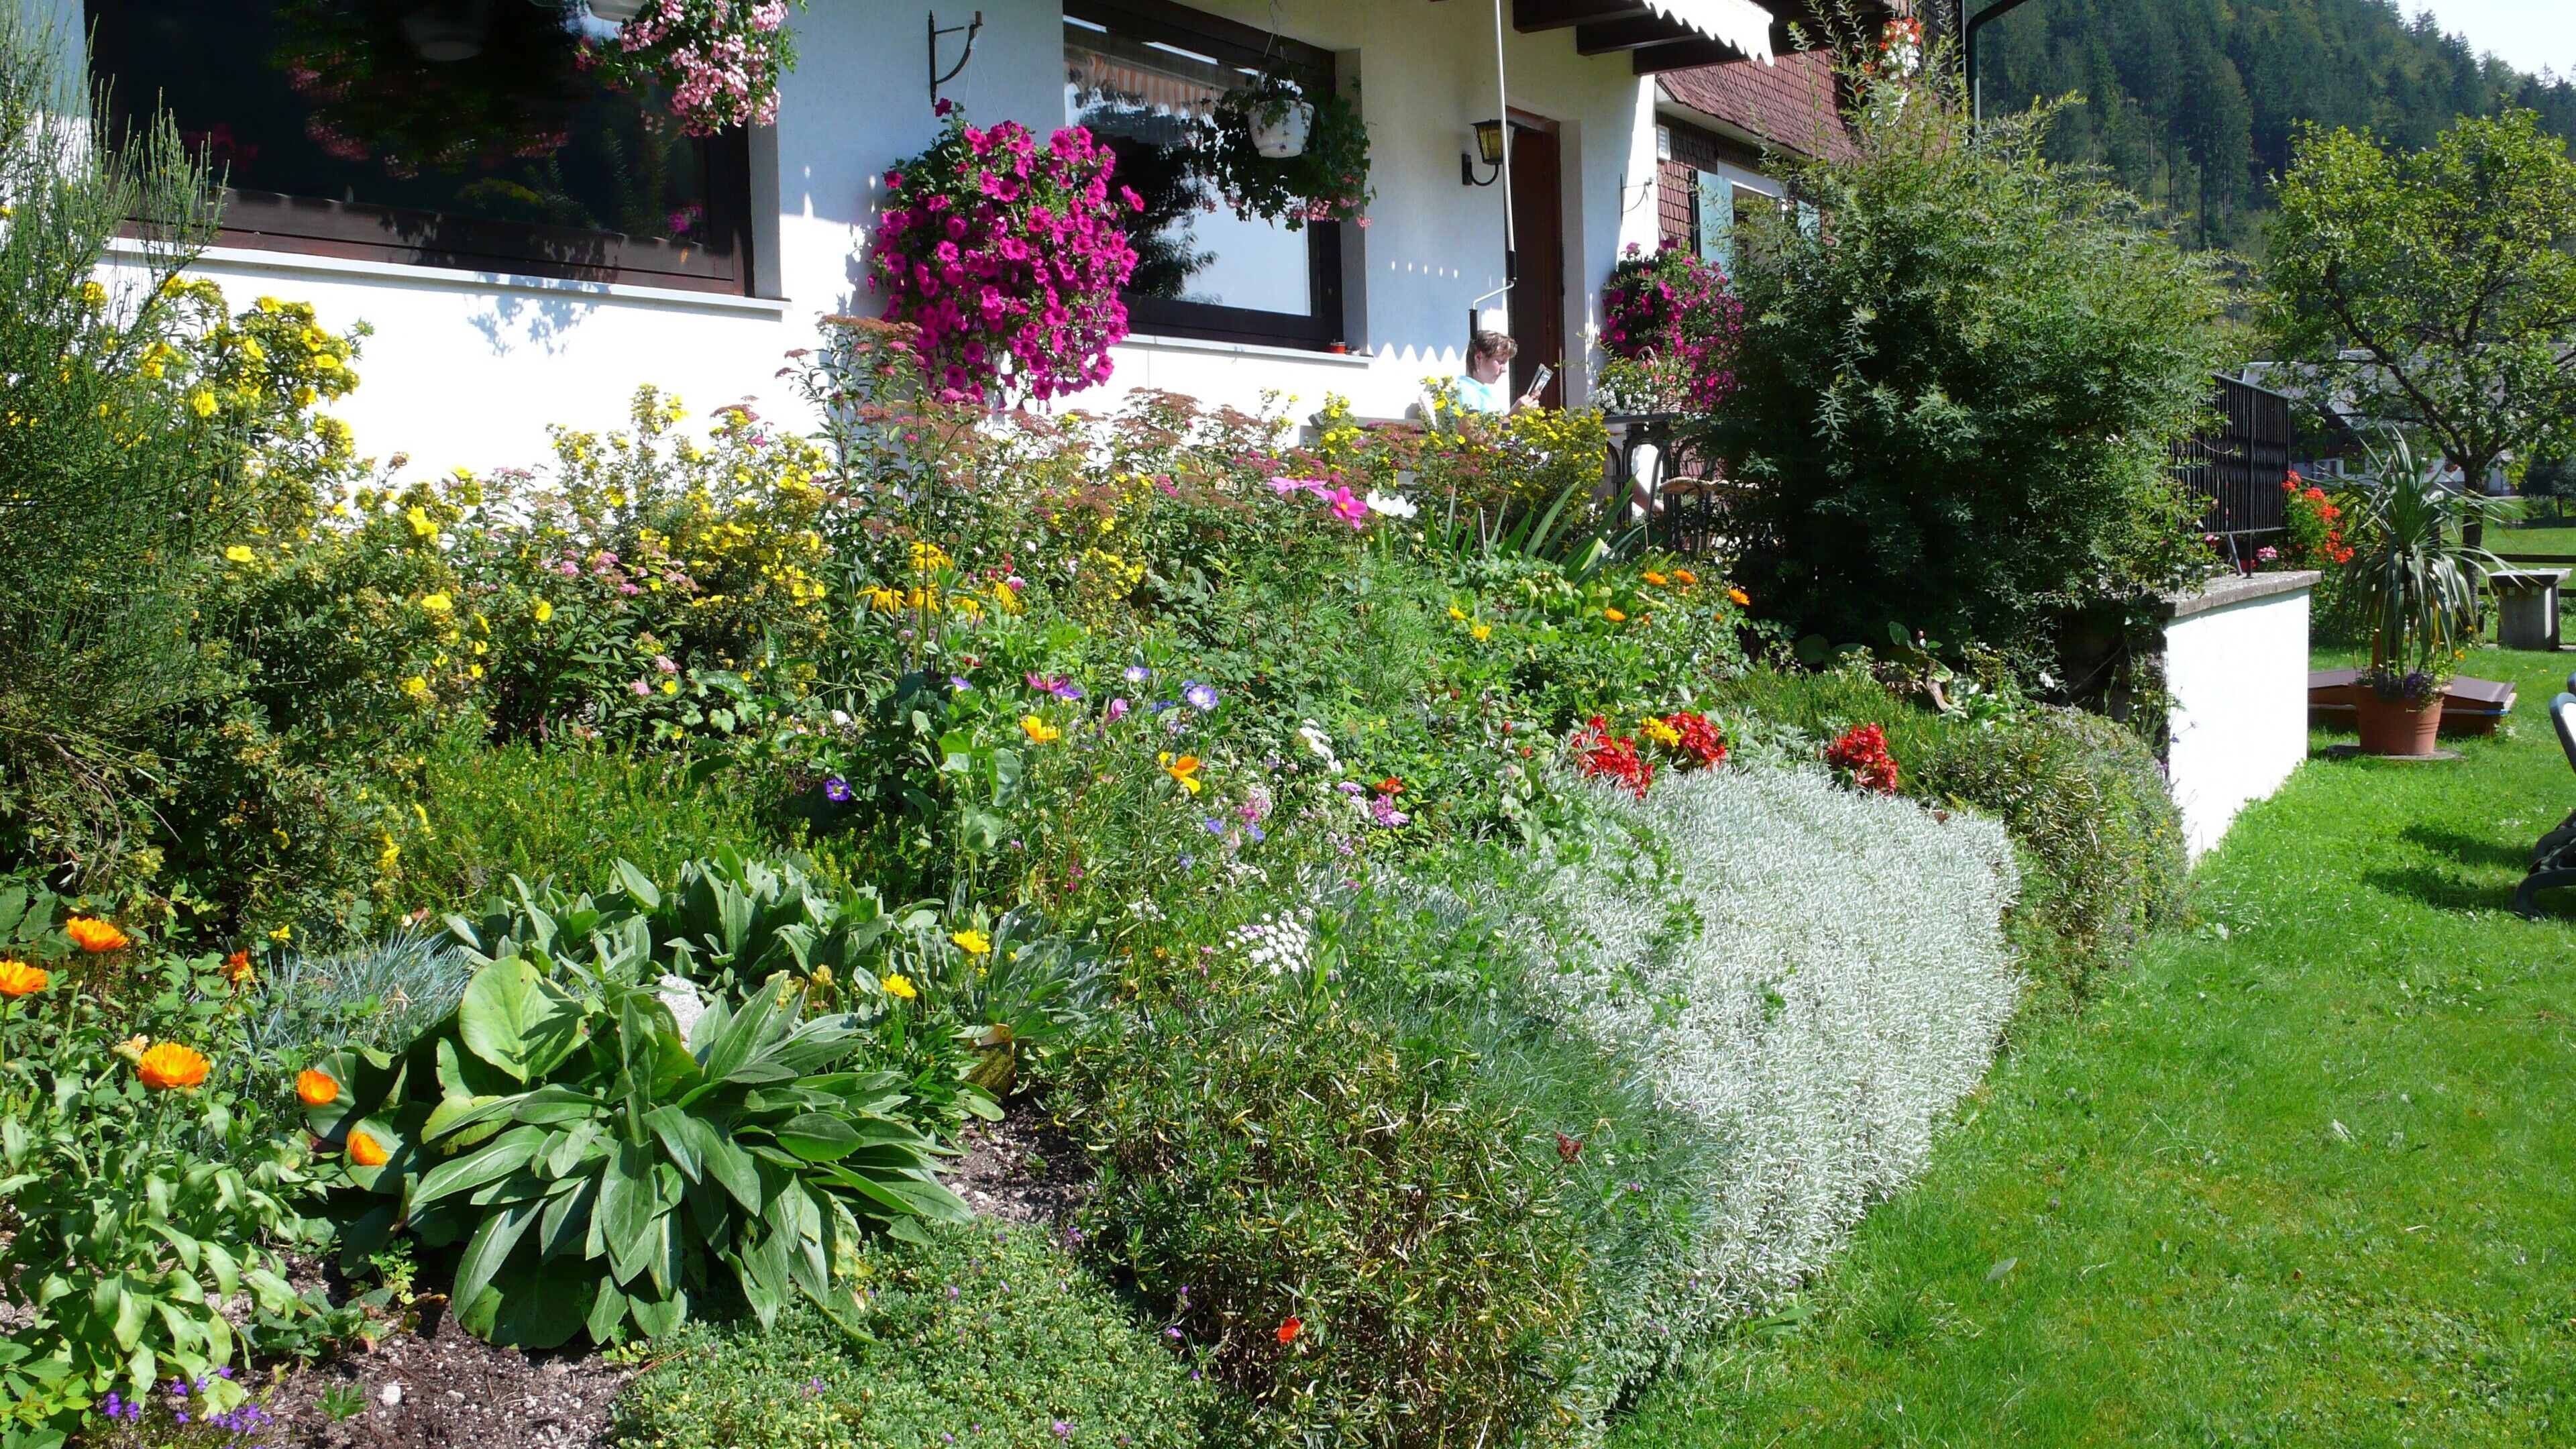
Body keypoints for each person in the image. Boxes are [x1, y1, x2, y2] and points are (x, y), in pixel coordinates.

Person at [1453, 330, 1542, 415]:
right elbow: (1472, 431)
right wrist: (1512, 417)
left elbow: (1498, 429)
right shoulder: (1466, 391)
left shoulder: (1480, 393)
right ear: (1479, 357)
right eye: (1500, 361)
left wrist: (1523, 413)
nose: (1504, 369)